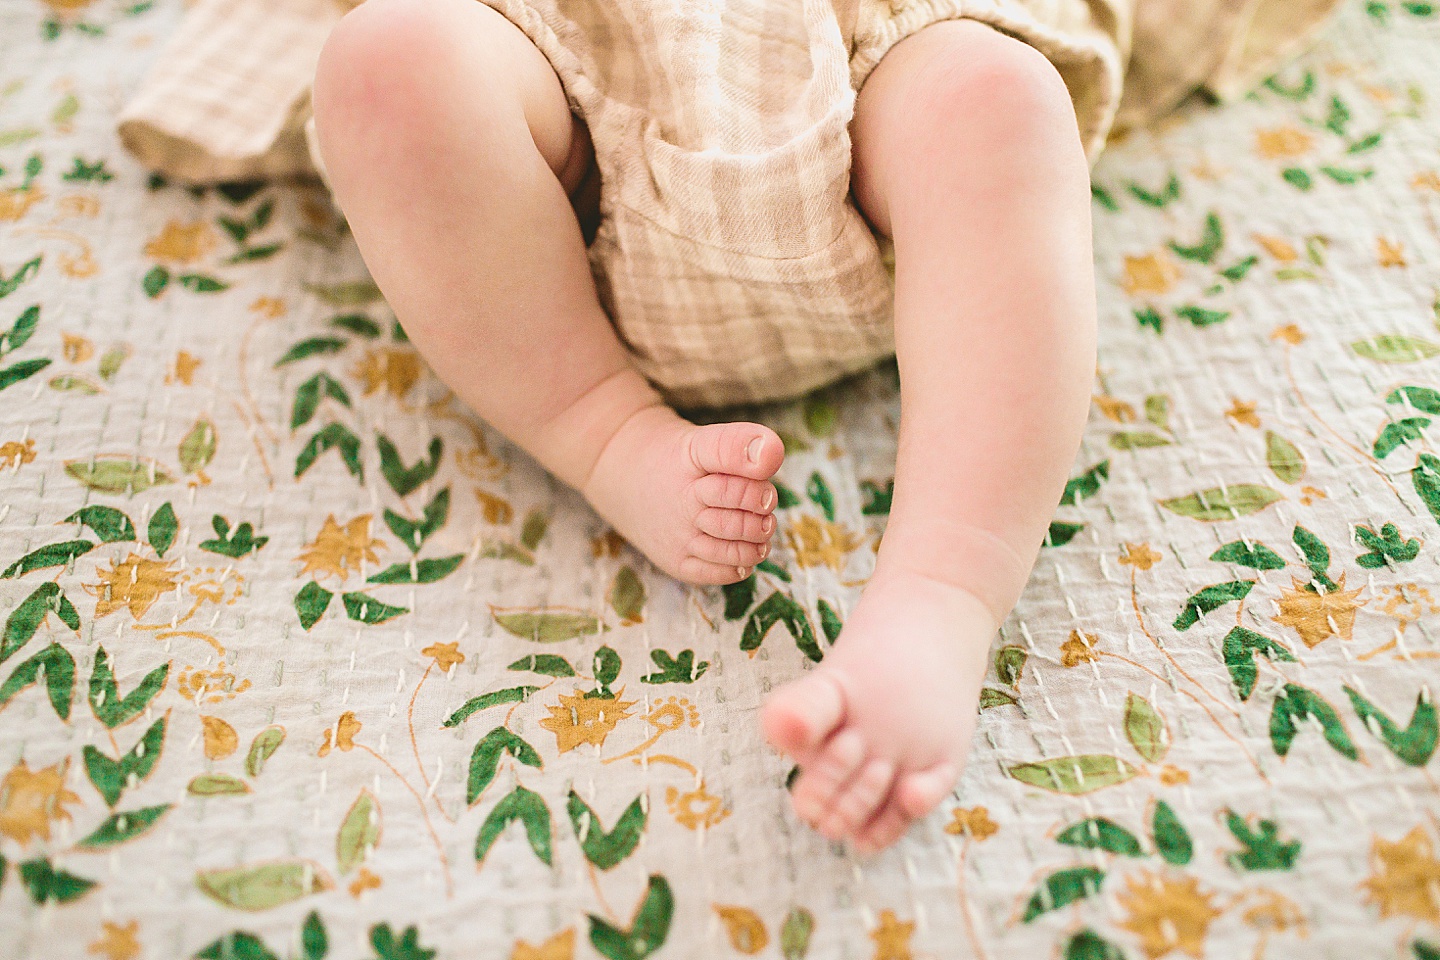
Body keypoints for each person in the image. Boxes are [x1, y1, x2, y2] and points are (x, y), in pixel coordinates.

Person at [119, 0, 1341, 852]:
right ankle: (602, 428)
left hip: (874, 68)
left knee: (998, 105)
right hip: (566, 105)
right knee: (388, 62)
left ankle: (943, 592)